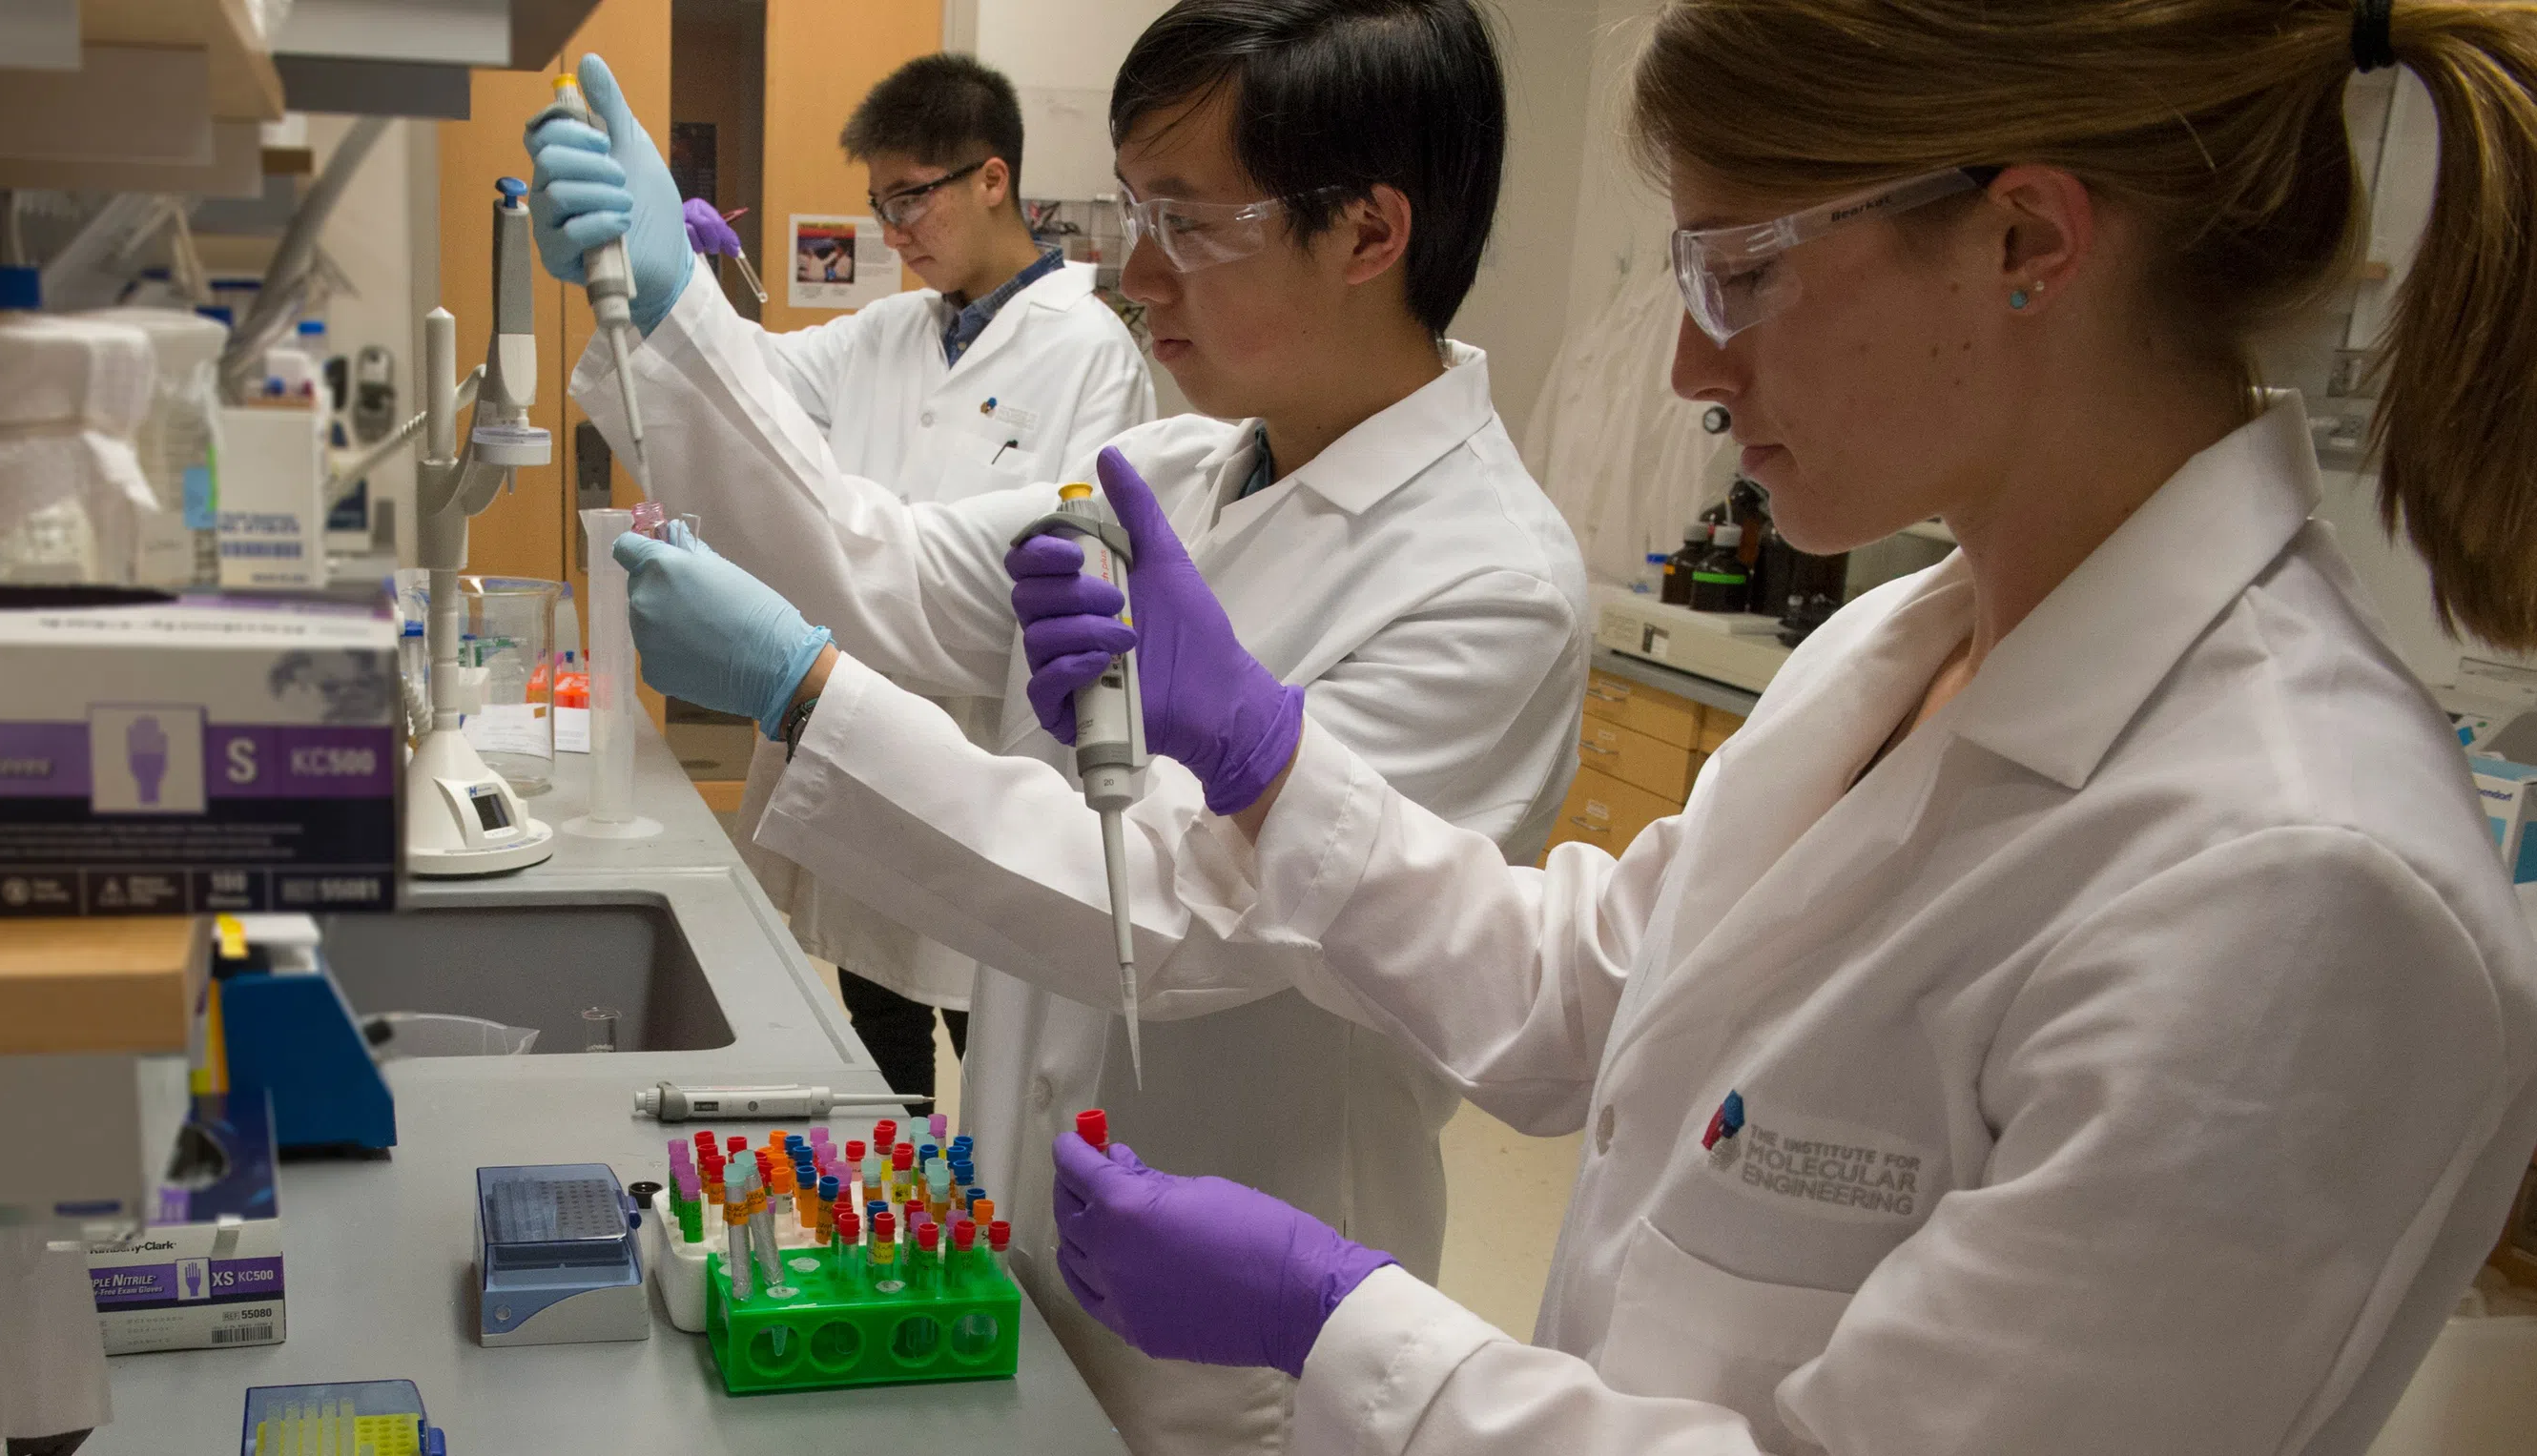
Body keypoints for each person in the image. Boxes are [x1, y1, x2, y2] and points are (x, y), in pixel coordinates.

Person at [1010, 1, 2537, 1451]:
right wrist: (1274, 767)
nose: (1690, 366)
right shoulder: (1900, 643)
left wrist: (1340, 1325)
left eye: (1741, 274)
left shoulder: (2296, 882)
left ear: (2027, 237)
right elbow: (1590, 990)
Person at [545, 3, 1585, 1448]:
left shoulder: (1490, 583)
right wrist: (668, 312)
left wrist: (799, 686)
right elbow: (885, 558)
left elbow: (1174, 911)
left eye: (1187, 222)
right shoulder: (1169, 474)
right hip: (1030, 1237)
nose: (1133, 272)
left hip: (1239, 1346)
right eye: (1129, 210)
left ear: (1367, 232)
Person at [533, 51, 1154, 1101]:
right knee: (876, 1026)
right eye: (881, 206)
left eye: (912, 198)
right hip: (852, 736)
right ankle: (906, 1198)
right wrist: (664, 292)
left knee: (999, 1051)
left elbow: (1031, 564)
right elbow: (749, 389)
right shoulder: (890, 329)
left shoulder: (1092, 352)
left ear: (991, 178)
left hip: (979, 763)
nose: (895, 231)